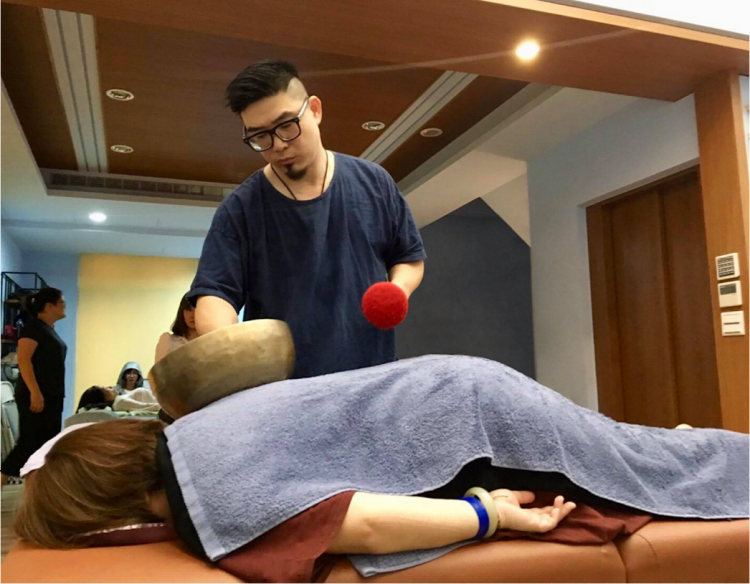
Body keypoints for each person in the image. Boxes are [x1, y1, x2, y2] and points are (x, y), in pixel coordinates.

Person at [13, 355, 750, 584]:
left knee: (657, 475)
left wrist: (493, 516)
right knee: (635, 448)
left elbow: (363, 523)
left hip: (480, 424)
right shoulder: (190, 435)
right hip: (459, 391)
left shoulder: (212, 499)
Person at [188, 60, 426, 379]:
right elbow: (215, 295)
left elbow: (408, 257)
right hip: (284, 390)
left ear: (314, 110)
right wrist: (228, 349)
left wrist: (397, 291)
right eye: (260, 136)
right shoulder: (239, 210)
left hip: (373, 377)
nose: (278, 145)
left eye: (287, 125)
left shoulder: (374, 182)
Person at [0, 287, 67, 493]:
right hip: (37, 396)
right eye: (61, 302)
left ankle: (36, 494)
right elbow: (24, 360)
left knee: (43, 447)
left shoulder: (48, 329)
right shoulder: (33, 328)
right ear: (48, 306)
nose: (64, 306)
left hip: (51, 396)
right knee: (28, 444)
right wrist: (35, 393)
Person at [154, 294, 199, 363]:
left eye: (197, 309)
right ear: (182, 312)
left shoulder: (211, 342)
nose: (193, 315)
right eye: (188, 309)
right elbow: (159, 369)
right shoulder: (169, 341)